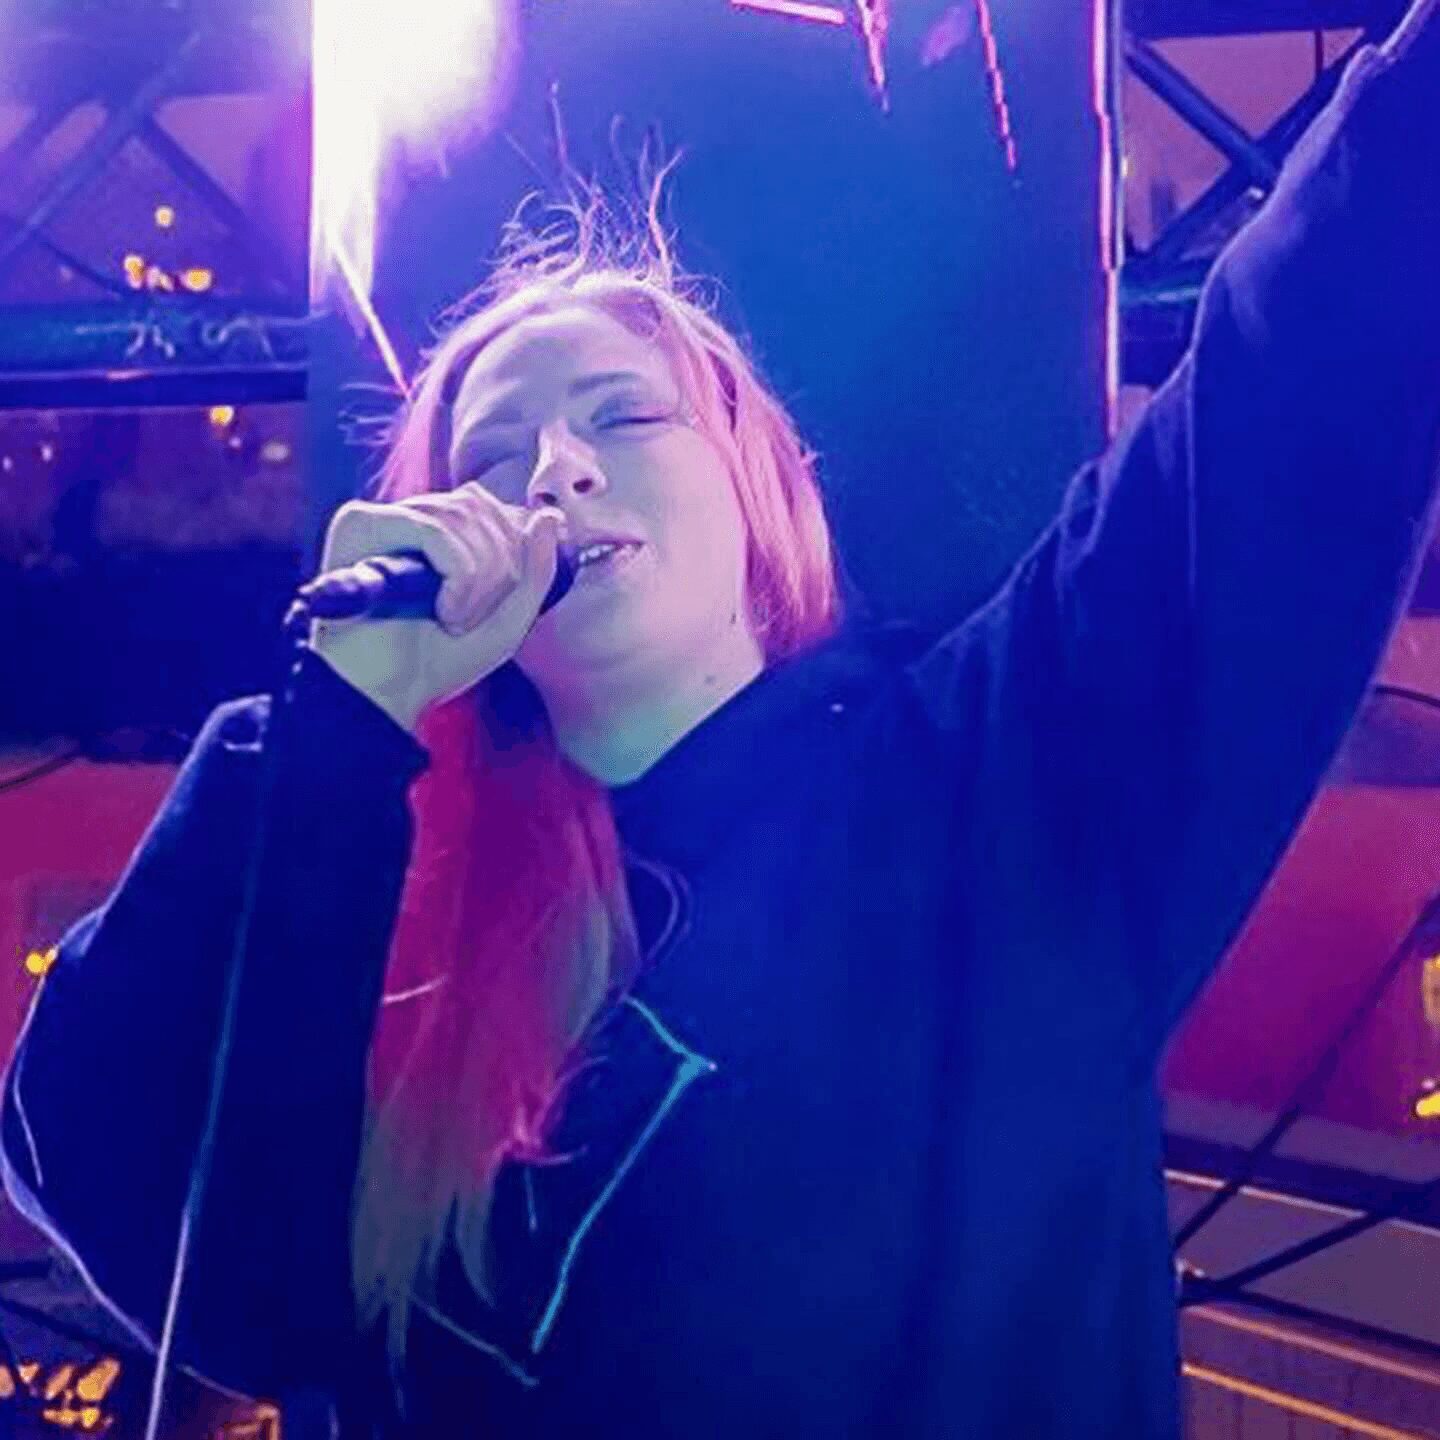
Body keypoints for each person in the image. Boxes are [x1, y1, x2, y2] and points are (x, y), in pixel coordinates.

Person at [3, 3, 1439, 1435]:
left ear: (757, 487)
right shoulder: (381, 890)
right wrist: (329, 739)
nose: (553, 469)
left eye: (623, 418)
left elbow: (1298, 371)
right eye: (490, 454)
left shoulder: (996, 783)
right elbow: (176, 1239)